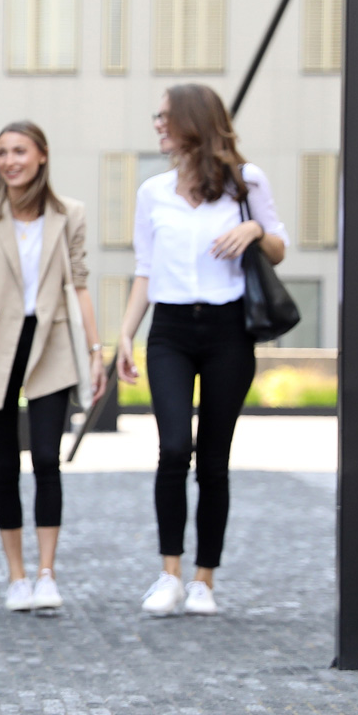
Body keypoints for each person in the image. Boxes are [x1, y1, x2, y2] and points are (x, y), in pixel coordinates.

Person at [113, 83, 287, 617]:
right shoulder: (152, 192)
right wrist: (125, 333)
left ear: (193, 121)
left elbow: (279, 247)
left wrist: (255, 228)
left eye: (165, 116)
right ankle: (169, 574)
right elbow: (146, 268)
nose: (158, 124)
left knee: (214, 460)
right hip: (169, 331)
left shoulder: (245, 181)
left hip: (228, 330)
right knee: (173, 448)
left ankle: (204, 580)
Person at [0, 121, 106, 613]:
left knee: (48, 460)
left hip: (50, 342)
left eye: (19, 151)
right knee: (5, 465)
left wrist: (95, 352)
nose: (10, 161)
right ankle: (16, 576)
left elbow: (79, 283)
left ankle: (47, 573)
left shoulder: (68, 214)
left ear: (42, 156)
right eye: (2, 152)